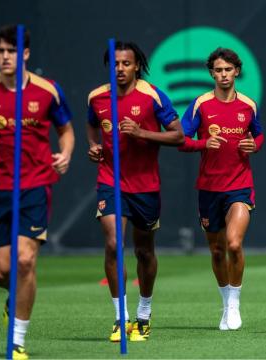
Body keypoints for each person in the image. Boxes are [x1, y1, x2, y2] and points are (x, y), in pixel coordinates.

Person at [0, 24, 74, 359]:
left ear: (25, 54)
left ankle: (18, 340)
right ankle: (16, 296)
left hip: (35, 185)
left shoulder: (47, 90)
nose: (5, 57)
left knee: (24, 261)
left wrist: (64, 154)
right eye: (0, 51)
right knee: (1, 271)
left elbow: (66, 130)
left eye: (11, 51)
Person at [87, 41, 184, 342]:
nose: (120, 69)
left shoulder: (152, 96)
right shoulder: (97, 97)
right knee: (114, 243)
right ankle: (120, 318)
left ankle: (144, 313)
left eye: (125, 63)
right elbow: (93, 126)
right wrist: (93, 146)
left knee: (144, 251)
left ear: (136, 66)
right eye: (115, 63)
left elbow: (178, 135)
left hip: (145, 185)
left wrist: (141, 132)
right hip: (111, 181)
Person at [178, 47, 264, 331]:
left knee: (234, 243)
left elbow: (259, 134)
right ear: (212, 73)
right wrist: (203, 143)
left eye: (228, 69)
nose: (224, 74)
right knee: (216, 251)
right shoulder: (201, 104)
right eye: (218, 70)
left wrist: (255, 144)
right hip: (209, 188)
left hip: (239, 186)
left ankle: (234, 305)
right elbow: (181, 139)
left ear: (236, 71)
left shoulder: (248, 105)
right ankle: (225, 302)